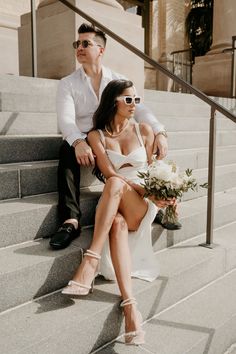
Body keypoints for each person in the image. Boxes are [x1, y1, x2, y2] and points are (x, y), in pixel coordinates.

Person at [61, 79, 176, 345]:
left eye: (136, 100)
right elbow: (110, 171)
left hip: (140, 199)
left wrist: (163, 192)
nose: (134, 104)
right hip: (115, 199)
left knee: (114, 186)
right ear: (113, 100)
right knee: (117, 223)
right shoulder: (96, 136)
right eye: (128, 99)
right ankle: (130, 307)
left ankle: (90, 260)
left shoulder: (144, 131)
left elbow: (151, 171)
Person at [49, 23, 172, 250]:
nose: (79, 48)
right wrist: (78, 142)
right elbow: (66, 120)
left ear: (101, 50)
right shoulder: (67, 83)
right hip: (86, 137)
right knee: (66, 148)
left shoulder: (117, 80)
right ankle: (71, 220)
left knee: (145, 141)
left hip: (111, 136)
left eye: (86, 43)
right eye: (77, 44)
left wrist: (160, 132)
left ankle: (151, 204)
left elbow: (141, 109)